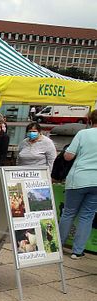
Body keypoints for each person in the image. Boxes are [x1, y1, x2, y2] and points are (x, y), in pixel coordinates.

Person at [58, 109, 97, 260]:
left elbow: (68, 156)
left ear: (89, 120)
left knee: (68, 213)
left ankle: (59, 246)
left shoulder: (82, 134)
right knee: (87, 216)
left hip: (78, 178)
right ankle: (77, 250)